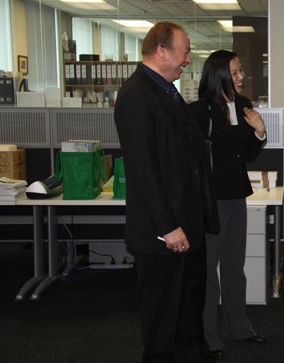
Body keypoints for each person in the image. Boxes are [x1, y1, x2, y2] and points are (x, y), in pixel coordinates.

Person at [114, 21, 214, 362]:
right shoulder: (136, 95)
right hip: (163, 233)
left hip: (187, 225)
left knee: (187, 312)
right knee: (163, 321)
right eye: (184, 52)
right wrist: (168, 226)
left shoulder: (167, 91)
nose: (187, 60)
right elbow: (144, 170)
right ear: (161, 50)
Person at [189, 50, 267, 360]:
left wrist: (259, 131)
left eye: (241, 70)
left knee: (235, 267)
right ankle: (209, 338)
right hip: (211, 200)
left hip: (236, 196)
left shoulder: (243, 105)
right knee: (209, 273)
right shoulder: (200, 112)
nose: (241, 76)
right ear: (219, 74)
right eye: (234, 72)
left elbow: (245, 153)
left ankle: (239, 328)